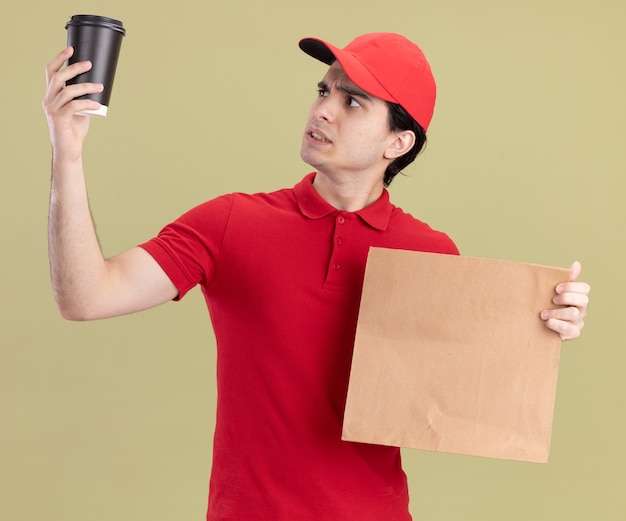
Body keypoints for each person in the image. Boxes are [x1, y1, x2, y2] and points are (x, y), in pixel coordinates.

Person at [43, 32, 590, 521]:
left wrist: (543, 327)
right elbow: (86, 297)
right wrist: (67, 154)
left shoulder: (429, 253)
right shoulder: (233, 222)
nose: (324, 109)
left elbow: (469, 394)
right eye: (325, 91)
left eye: (353, 102)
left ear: (396, 143)